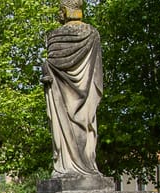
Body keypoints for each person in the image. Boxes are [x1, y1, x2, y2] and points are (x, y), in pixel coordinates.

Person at [41, 0, 103, 179]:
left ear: (64, 10)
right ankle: (87, 164)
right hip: (86, 97)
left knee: (63, 126)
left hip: (62, 96)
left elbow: (52, 65)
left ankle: (67, 165)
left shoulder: (53, 37)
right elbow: (96, 74)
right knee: (86, 126)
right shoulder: (92, 34)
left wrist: (46, 66)